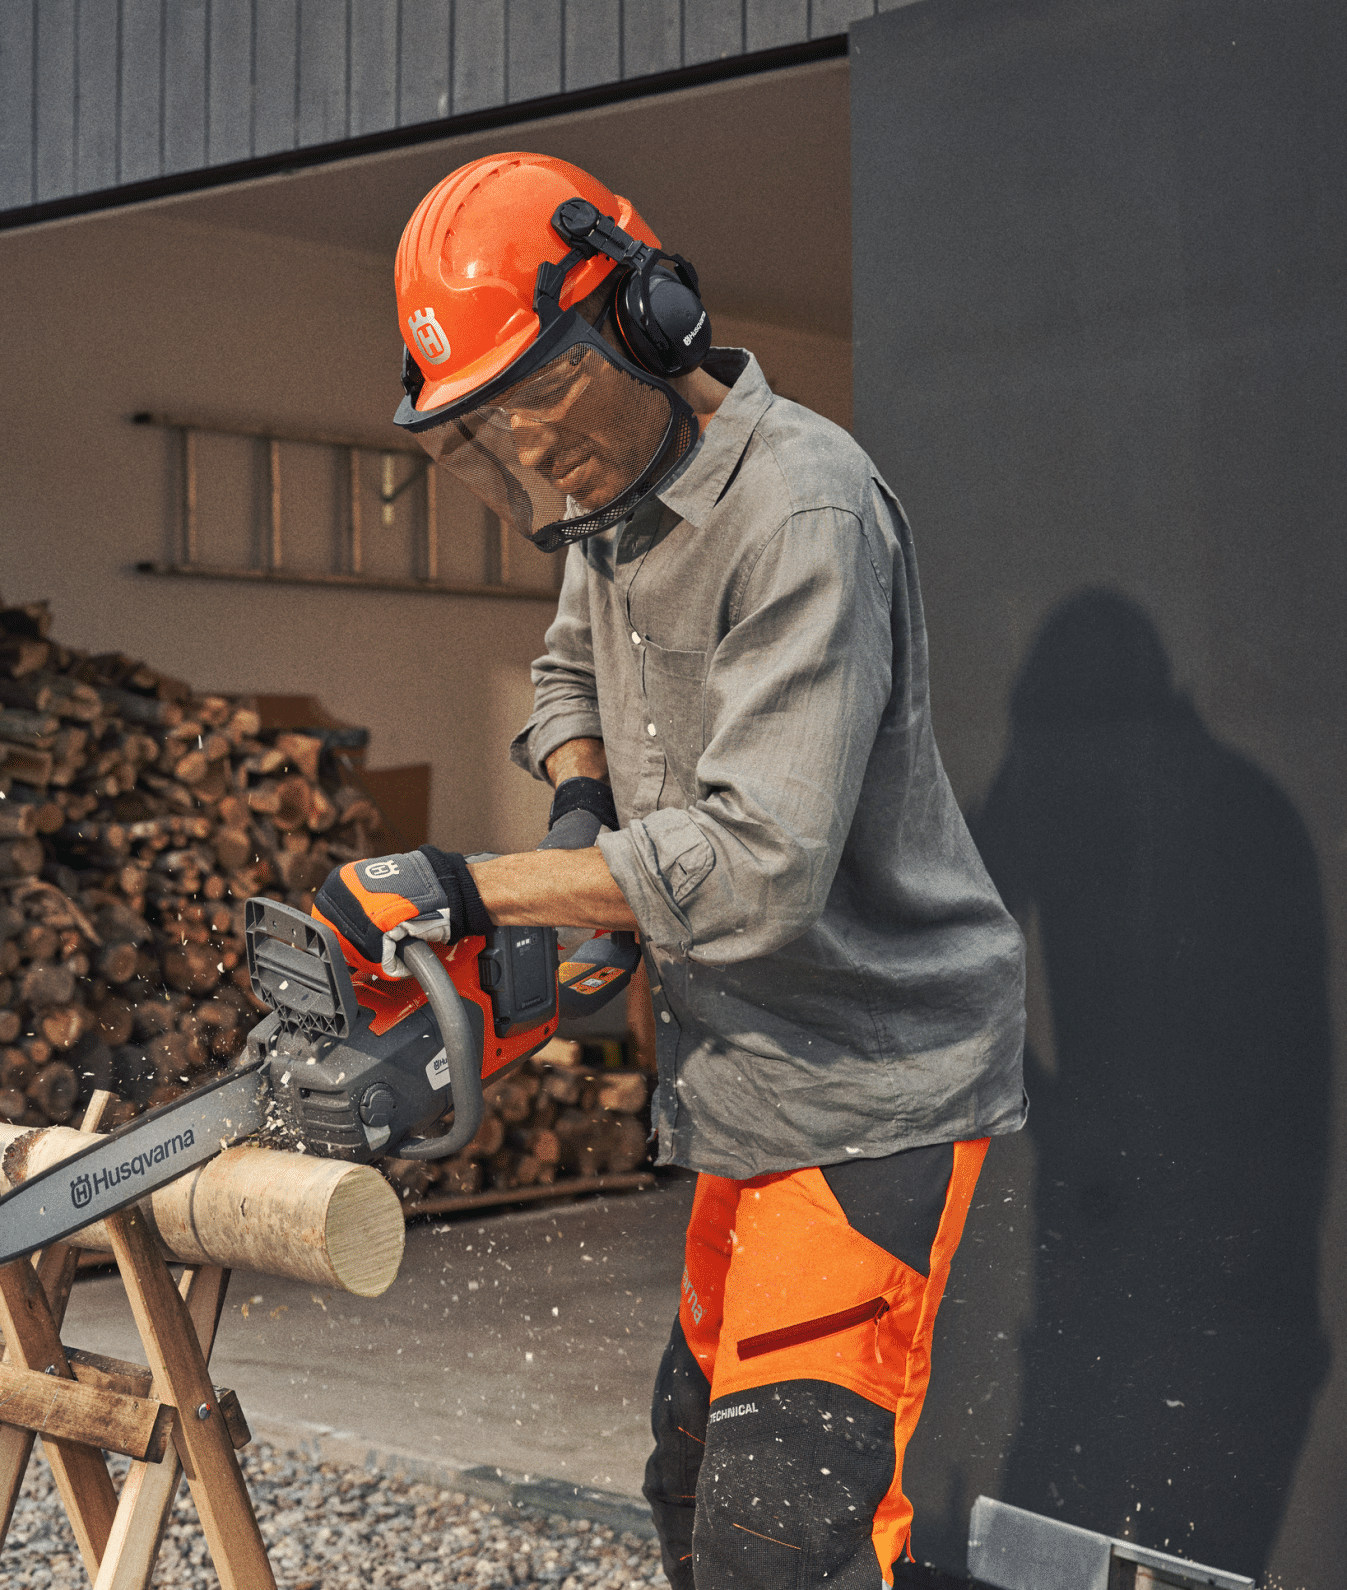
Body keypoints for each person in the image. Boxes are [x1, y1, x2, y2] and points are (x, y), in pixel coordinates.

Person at [311, 153, 1028, 1589]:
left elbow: (763, 860)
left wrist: (476, 889)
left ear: (646, 318)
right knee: (691, 1484)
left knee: (788, 1539)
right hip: (736, 1080)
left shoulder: (805, 508)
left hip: (863, 1086)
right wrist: (583, 810)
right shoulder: (611, 496)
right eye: (493, 425)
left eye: (543, 399)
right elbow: (569, 670)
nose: (534, 452)